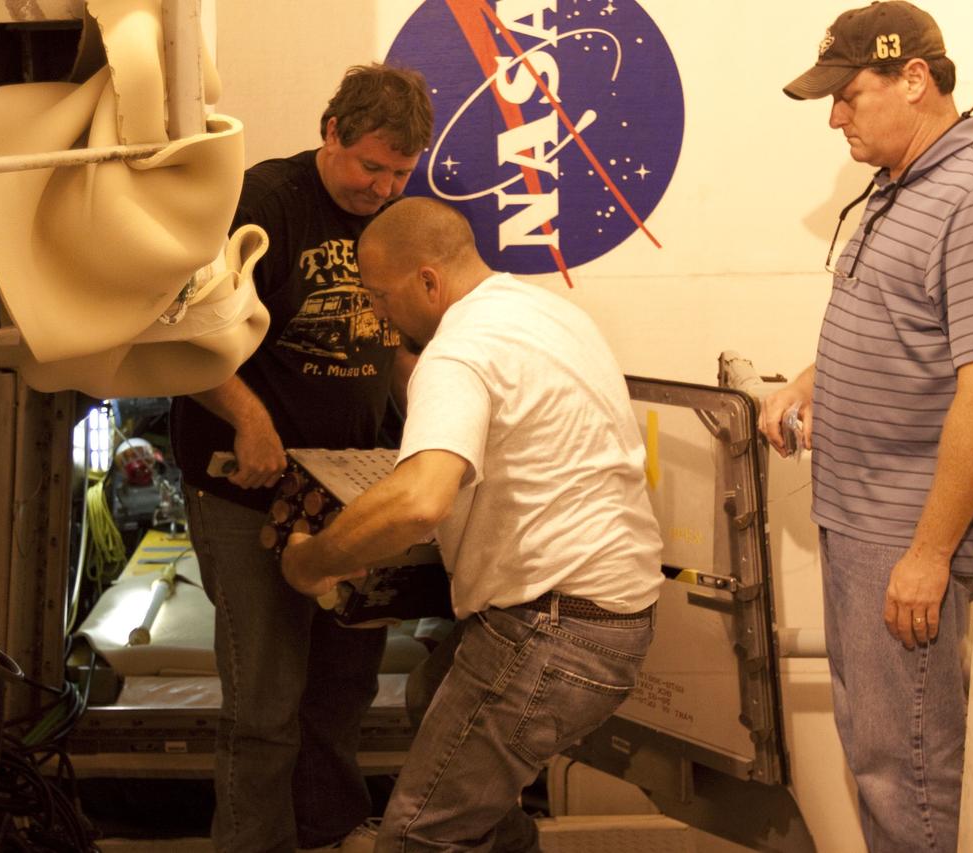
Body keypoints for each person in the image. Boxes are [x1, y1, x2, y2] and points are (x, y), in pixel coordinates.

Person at [280, 197, 664, 852]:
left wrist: (312, 559)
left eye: (379, 294)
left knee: (419, 836)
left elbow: (419, 500)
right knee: (434, 698)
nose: (375, 312)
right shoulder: (542, 312)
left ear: (428, 282)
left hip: (551, 629)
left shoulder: (457, 354)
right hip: (614, 612)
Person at [759, 3, 973, 850]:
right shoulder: (901, 186)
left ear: (914, 79)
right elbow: (905, 326)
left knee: (909, 771)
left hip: (906, 536)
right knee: (881, 757)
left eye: (848, 95)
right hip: (864, 525)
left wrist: (927, 554)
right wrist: (812, 381)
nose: (834, 117)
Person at [169, 64, 433, 853]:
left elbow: (392, 346)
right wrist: (248, 417)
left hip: (355, 494)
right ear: (331, 134)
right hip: (247, 493)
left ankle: (329, 833)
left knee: (343, 689)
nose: (382, 187)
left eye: (399, 173)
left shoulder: (397, 221)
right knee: (264, 705)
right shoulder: (261, 204)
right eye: (370, 166)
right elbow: (182, 329)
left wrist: (436, 413)